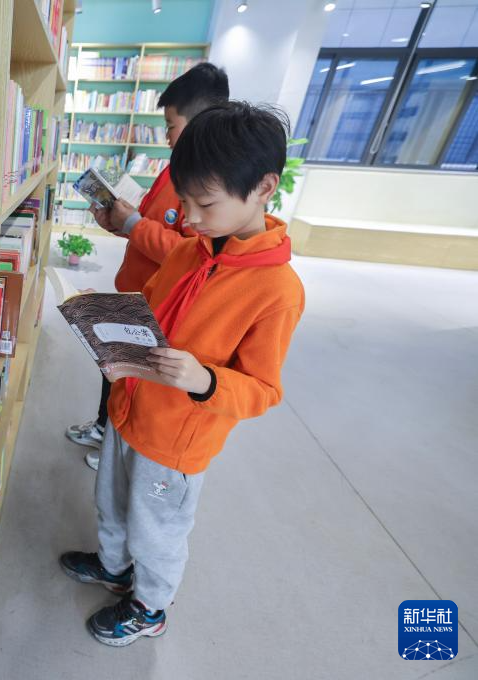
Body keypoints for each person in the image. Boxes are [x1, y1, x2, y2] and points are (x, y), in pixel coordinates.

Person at [59, 101, 305, 647]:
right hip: (128, 409)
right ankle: (114, 568)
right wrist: (104, 316)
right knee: (111, 504)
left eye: (205, 203)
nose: (188, 217)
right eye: (185, 200)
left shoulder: (277, 291)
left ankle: (150, 606)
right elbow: (148, 307)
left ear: (264, 188)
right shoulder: (190, 251)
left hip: (176, 442)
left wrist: (205, 381)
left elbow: (263, 391)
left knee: (158, 530)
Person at [66, 63, 229, 471]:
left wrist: (135, 225)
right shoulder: (174, 169)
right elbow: (152, 228)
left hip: (153, 304)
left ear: (201, 122)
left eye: (171, 125)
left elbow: (188, 252)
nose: (167, 136)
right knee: (113, 365)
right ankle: (105, 427)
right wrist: (121, 224)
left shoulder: (204, 187)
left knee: (129, 372)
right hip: (135, 291)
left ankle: (116, 437)